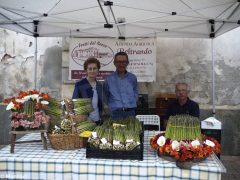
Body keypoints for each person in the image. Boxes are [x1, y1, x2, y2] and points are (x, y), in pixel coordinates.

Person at [104, 51, 138, 120]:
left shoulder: (133, 78)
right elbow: (106, 96)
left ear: (127, 63)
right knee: (116, 131)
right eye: (118, 62)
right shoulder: (109, 79)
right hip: (115, 114)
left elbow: (135, 93)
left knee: (131, 131)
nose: (121, 64)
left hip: (130, 113)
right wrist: (113, 106)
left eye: (124, 62)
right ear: (114, 63)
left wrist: (132, 103)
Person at [72, 57, 103, 125]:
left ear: (98, 70)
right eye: (90, 69)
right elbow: (74, 103)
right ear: (86, 70)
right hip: (85, 122)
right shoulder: (80, 84)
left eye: (94, 68)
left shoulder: (99, 85)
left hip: (98, 121)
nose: (92, 71)